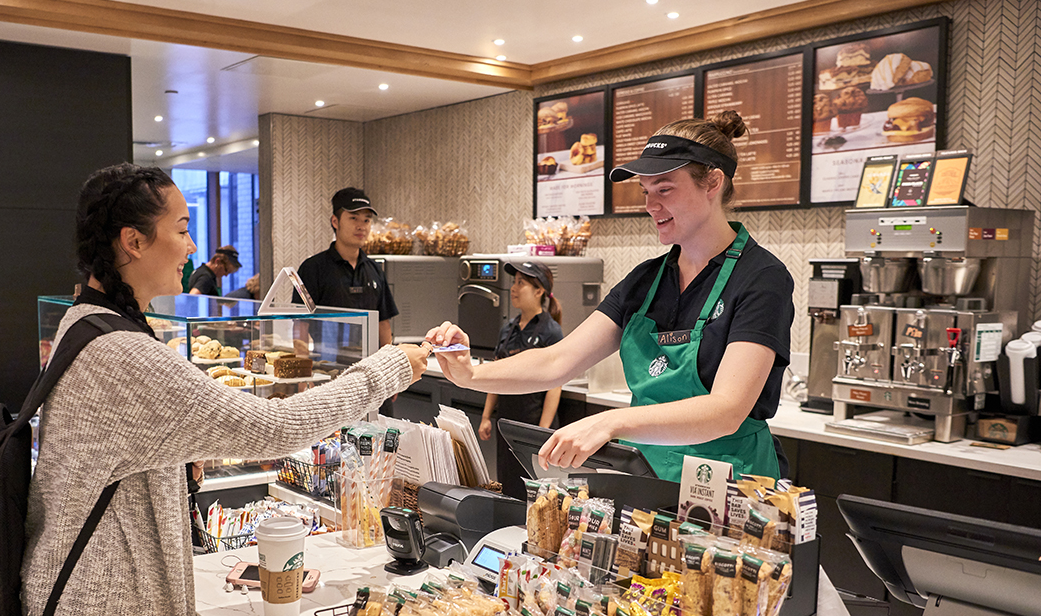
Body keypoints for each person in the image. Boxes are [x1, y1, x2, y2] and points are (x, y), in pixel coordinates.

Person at [21, 163, 430, 616]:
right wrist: (389, 368)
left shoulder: (86, 321)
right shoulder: (123, 354)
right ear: (132, 242)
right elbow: (274, 428)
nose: (192, 247)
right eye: (181, 229)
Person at [427, 111, 794, 483]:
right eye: (646, 192)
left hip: (732, 487)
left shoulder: (761, 279)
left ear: (712, 182)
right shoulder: (647, 281)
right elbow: (559, 360)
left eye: (665, 189)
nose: (651, 206)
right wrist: (472, 373)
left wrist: (611, 422)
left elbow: (726, 410)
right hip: (648, 480)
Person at [478, 260, 564, 499]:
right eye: (514, 282)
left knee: (536, 490)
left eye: (521, 283)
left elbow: (555, 386)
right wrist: (486, 417)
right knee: (507, 483)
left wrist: (543, 431)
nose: (513, 288)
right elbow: (497, 375)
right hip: (506, 421)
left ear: (539, 291)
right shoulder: (508, 330)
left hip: (533, 421)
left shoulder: (551, 331)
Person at [295, 187, 398, 347]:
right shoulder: (312, 268)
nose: (361, 226)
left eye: (366, 220)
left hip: (371, 365)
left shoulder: (375, 269)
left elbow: (383, 322)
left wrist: (391, 363)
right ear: (335, 221)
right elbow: (301, 324)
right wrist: (301, 366)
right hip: (327, 364)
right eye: (353, 218)